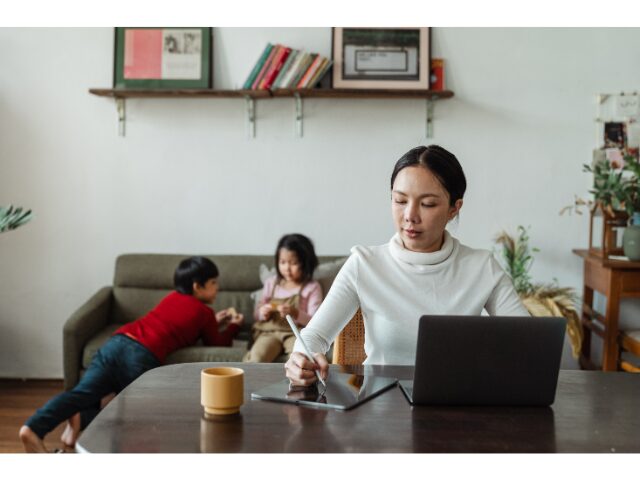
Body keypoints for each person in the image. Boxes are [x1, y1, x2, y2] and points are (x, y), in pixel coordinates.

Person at [284, 145, 529, 386]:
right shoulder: (364, 264)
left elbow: (528, 339)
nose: (410, 215)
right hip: (380, 408)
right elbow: (314, 336)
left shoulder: (481, 267)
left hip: (455, 405)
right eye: (400, 200)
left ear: (455, 208)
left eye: (428, 204)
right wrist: (302, 358)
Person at [19, 256, 244, 453]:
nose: (218, 288)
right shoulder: (204, 312)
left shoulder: (172, 298)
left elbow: (177, 323)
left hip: (118, 341)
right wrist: (233, 325)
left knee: (83, 393)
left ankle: (35, 428)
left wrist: (215, 321)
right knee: (138, 414)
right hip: (141, 355)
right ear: (198, 286)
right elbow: (216, 341)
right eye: (214, 283)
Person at [244, 234, 323, 363]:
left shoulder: (312, 287)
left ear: (306, 263)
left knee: (300, 361)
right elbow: (257, 315)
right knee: (257, 359)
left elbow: (315, 321)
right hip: (269, 332)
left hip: (295, 334)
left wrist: (295, 313)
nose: (287, 268)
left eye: (294, 263)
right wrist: (263, 312)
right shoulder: (272, 283)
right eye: (283, 262)